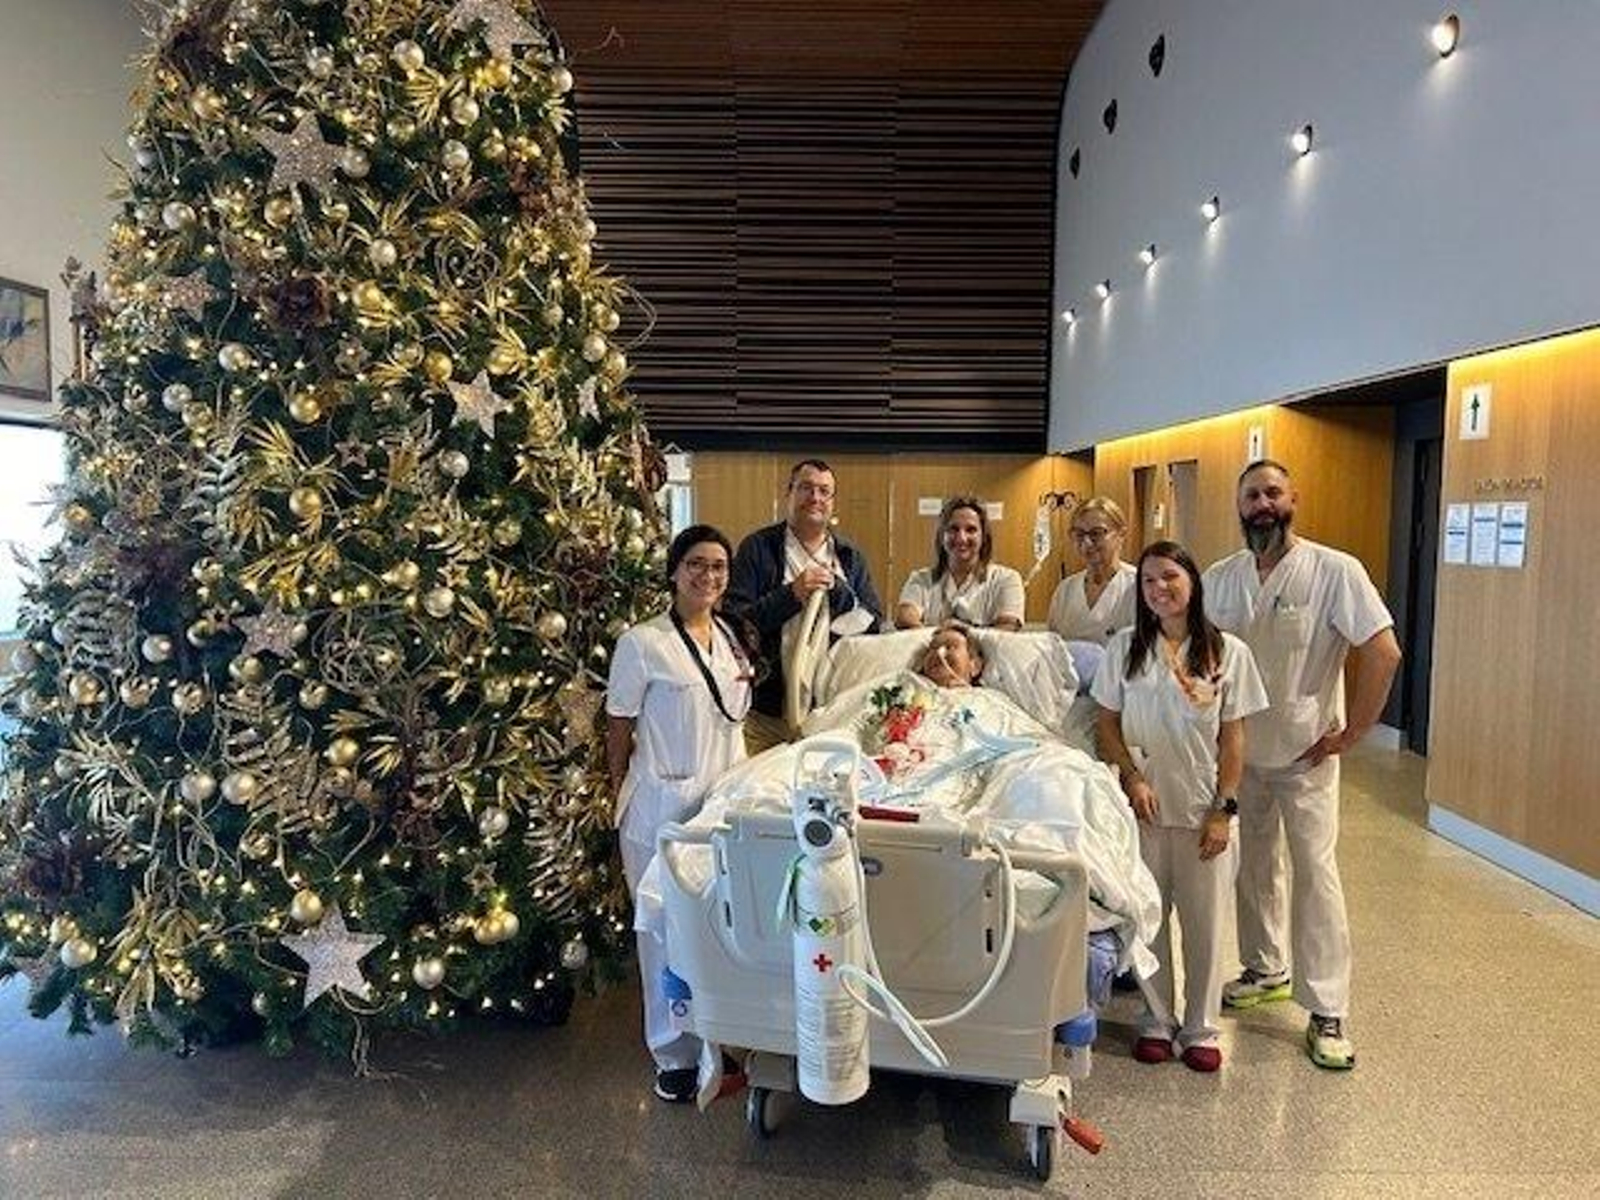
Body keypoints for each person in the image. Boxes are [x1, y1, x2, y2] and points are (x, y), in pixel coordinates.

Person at [1202, 460, 1402, 1071]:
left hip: (1304, 754)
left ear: (1294, 499)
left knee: (1315, 872)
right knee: (1254, 864)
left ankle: (1328, 1007)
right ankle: (1265, 968)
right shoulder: (1222, 577)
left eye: (1272, 493)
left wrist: (1354, 731)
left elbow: (1383, 651)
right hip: (1240, 754)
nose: (1262, 504)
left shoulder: (1335, 571)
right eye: (1251, 495)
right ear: (1238, 506)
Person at [1092, 541, 1267, 1073]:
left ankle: (1201, 1027)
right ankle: (1156, 1019)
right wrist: (1130, 775)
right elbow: (1105, 724)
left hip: (1201, 808)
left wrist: (1224, 809)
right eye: (1148, 581)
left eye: (1169, 576)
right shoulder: (1125, 648)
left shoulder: (1228, 652)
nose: (1159, 589)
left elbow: (1233, 738)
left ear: (1192, 581)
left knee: (1205, 922)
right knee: (1148, 918)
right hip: (1142, 808)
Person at [605, 525, 755, 1103]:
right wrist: (619, 786)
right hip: (661, 809)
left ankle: (719, 1039)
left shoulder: (732, 638)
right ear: (674, 570)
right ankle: (673, 1054)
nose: (708, 576)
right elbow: (619, 723)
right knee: (664, 935)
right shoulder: (642, 642)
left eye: (718, 566)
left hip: (720, 808)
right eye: (696, 564)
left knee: (718, 929)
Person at [725, 459, 883, 755]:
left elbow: (873, 623)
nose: (815, 498)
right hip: (766, 717)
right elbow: (734, 623)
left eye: (824, 491)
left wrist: (839, 593)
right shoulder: (758, 548)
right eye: (806, 488)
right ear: (789, 493)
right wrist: (790, 595)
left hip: (832, 717)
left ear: (833, 502)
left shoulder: (850, 558)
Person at [896, 496, 1025, 631]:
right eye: (953, 529)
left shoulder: (1007, 579)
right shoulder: (920, 579)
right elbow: (905, 619)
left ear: (984, 537)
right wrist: (944, 639)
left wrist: (959, 637)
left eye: (971, 530)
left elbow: (1007, 628)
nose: (961, 538)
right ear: (941, 536)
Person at [1047, 497, 1139, 645]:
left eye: (1096, 533)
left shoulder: (1138, 586)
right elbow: (1053, 646)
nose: (1087, 543)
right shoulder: (1065, 590)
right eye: (1079, 534)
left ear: (1121, 535)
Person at [918, 623, 985, 688]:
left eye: (951, 646)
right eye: (933, 648)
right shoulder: (914, 684)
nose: (938, 652)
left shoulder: (983, 694)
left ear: (975, 666)